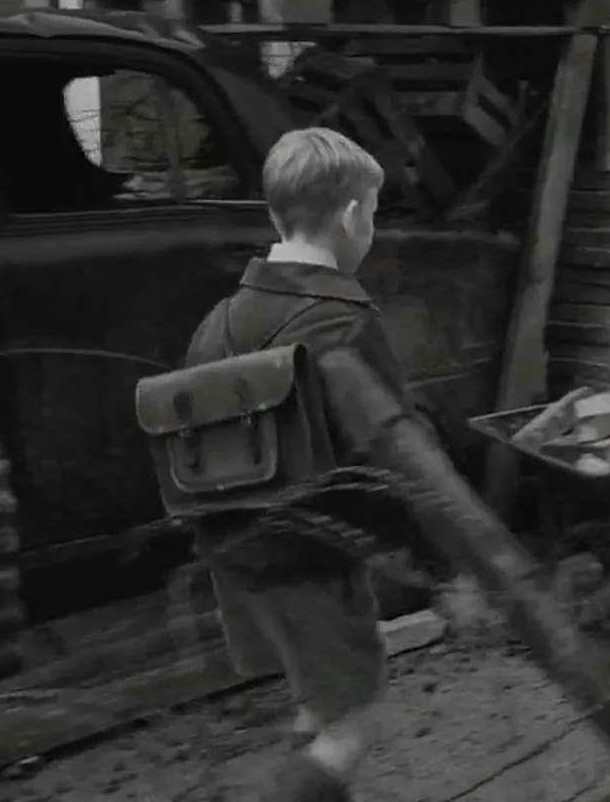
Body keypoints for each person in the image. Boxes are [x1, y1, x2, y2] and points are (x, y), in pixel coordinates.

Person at [182, 127, 416, 802]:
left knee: (316, 702)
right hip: (316, 558)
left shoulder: (220, 321)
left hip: (237, 556)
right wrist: (446, 567)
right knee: (353, 721)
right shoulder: (342, 316)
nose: (370, 229)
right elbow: (397, 452)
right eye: (371, 213)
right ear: (351, 215)